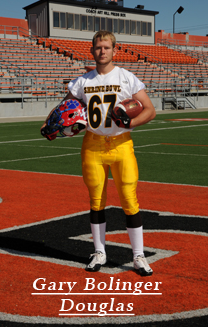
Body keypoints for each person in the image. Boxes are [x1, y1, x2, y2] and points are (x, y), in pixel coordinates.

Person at [63, 31, 156, 276]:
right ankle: (99, 252)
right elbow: (66, 109)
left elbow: (149, 110)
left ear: (115, 50)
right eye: (98, 47)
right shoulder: (82, 81)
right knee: (96, 201)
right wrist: (51, 122)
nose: (102, 51)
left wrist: (130, 124)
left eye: (106, 47)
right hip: (92, 144)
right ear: (92, 51)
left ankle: (138, 256)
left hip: (121, 143)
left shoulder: (126, 77)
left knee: (129, 199)